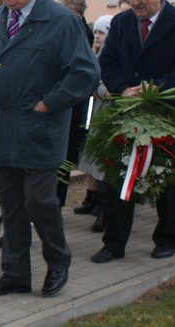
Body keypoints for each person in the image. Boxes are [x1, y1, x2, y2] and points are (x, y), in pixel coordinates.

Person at [0, 0, 99, 297]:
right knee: (12, 206)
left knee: (40, 202)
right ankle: (15, 275)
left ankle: (58, 262)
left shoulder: (60, 21)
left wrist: (48, 102)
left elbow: (85, 73)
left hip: (40, 131)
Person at [91, 0, 175, 264]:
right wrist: (123, 89)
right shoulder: (123, 22)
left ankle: (168, 237)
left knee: (166, 177)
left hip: (165, 112)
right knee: (120, 176)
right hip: (127, 110)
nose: (136, 2)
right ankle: (114, 243)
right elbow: (108, 62)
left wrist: (154, 90)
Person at [75, 14, 114, 234]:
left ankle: (104, 207)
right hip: (97, 111)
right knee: (92, 158)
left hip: (110, 111)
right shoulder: (94, 54)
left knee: (105, 161)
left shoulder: (110, 55)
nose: (97, 36)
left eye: (102, 32)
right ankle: (94, 198)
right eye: (96, 32)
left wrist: (104, 89)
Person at [58, 0, 94, 209]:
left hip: (71, 104)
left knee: (64, 154)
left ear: (80, 14)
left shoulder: (82, 33)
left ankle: (58, 199)